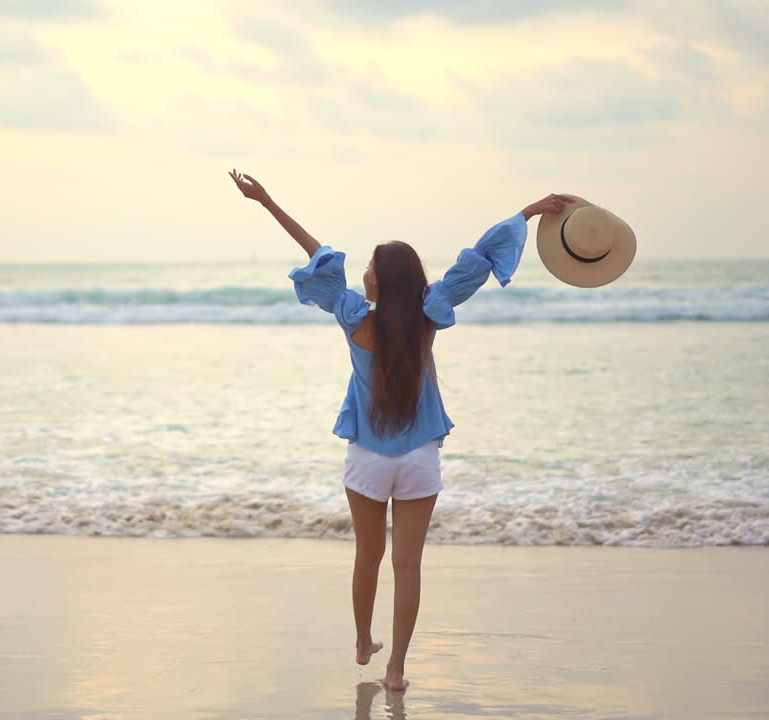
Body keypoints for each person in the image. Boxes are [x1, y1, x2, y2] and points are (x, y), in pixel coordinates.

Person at [229, 169, 573, 692]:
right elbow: (478, 258)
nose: (363, 271)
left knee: (368, 556)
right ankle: (395, 671)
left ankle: (365, 641)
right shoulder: (430, 312)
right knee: (408, 566)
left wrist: (266, 202)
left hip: (368, 457)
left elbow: (320, 254)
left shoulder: (352, 316)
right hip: (419, 459)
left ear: (379, 280)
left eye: (369, 265)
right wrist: (530, 209)